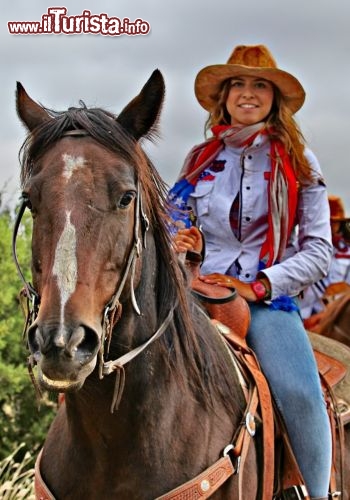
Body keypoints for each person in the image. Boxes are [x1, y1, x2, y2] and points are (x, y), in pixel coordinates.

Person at [168, 44, 333, 499]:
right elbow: (170, 223)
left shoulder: (300, 162)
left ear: (274, 98)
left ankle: (315, 493)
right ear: (222, 97)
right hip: (196, 292)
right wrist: (185, 246)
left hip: (266, 300)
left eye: (259, 84)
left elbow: (318, 250)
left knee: (299, 394)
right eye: (237, 84)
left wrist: (259, 285)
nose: (247, 93)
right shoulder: (199, 160)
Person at [301, 195, 350, 327]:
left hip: (335, 316)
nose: (331, 226)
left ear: (340, 224)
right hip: (303, 314)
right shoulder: (302, 248)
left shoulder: (348, 254)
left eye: (335, 222)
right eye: (328, 221)